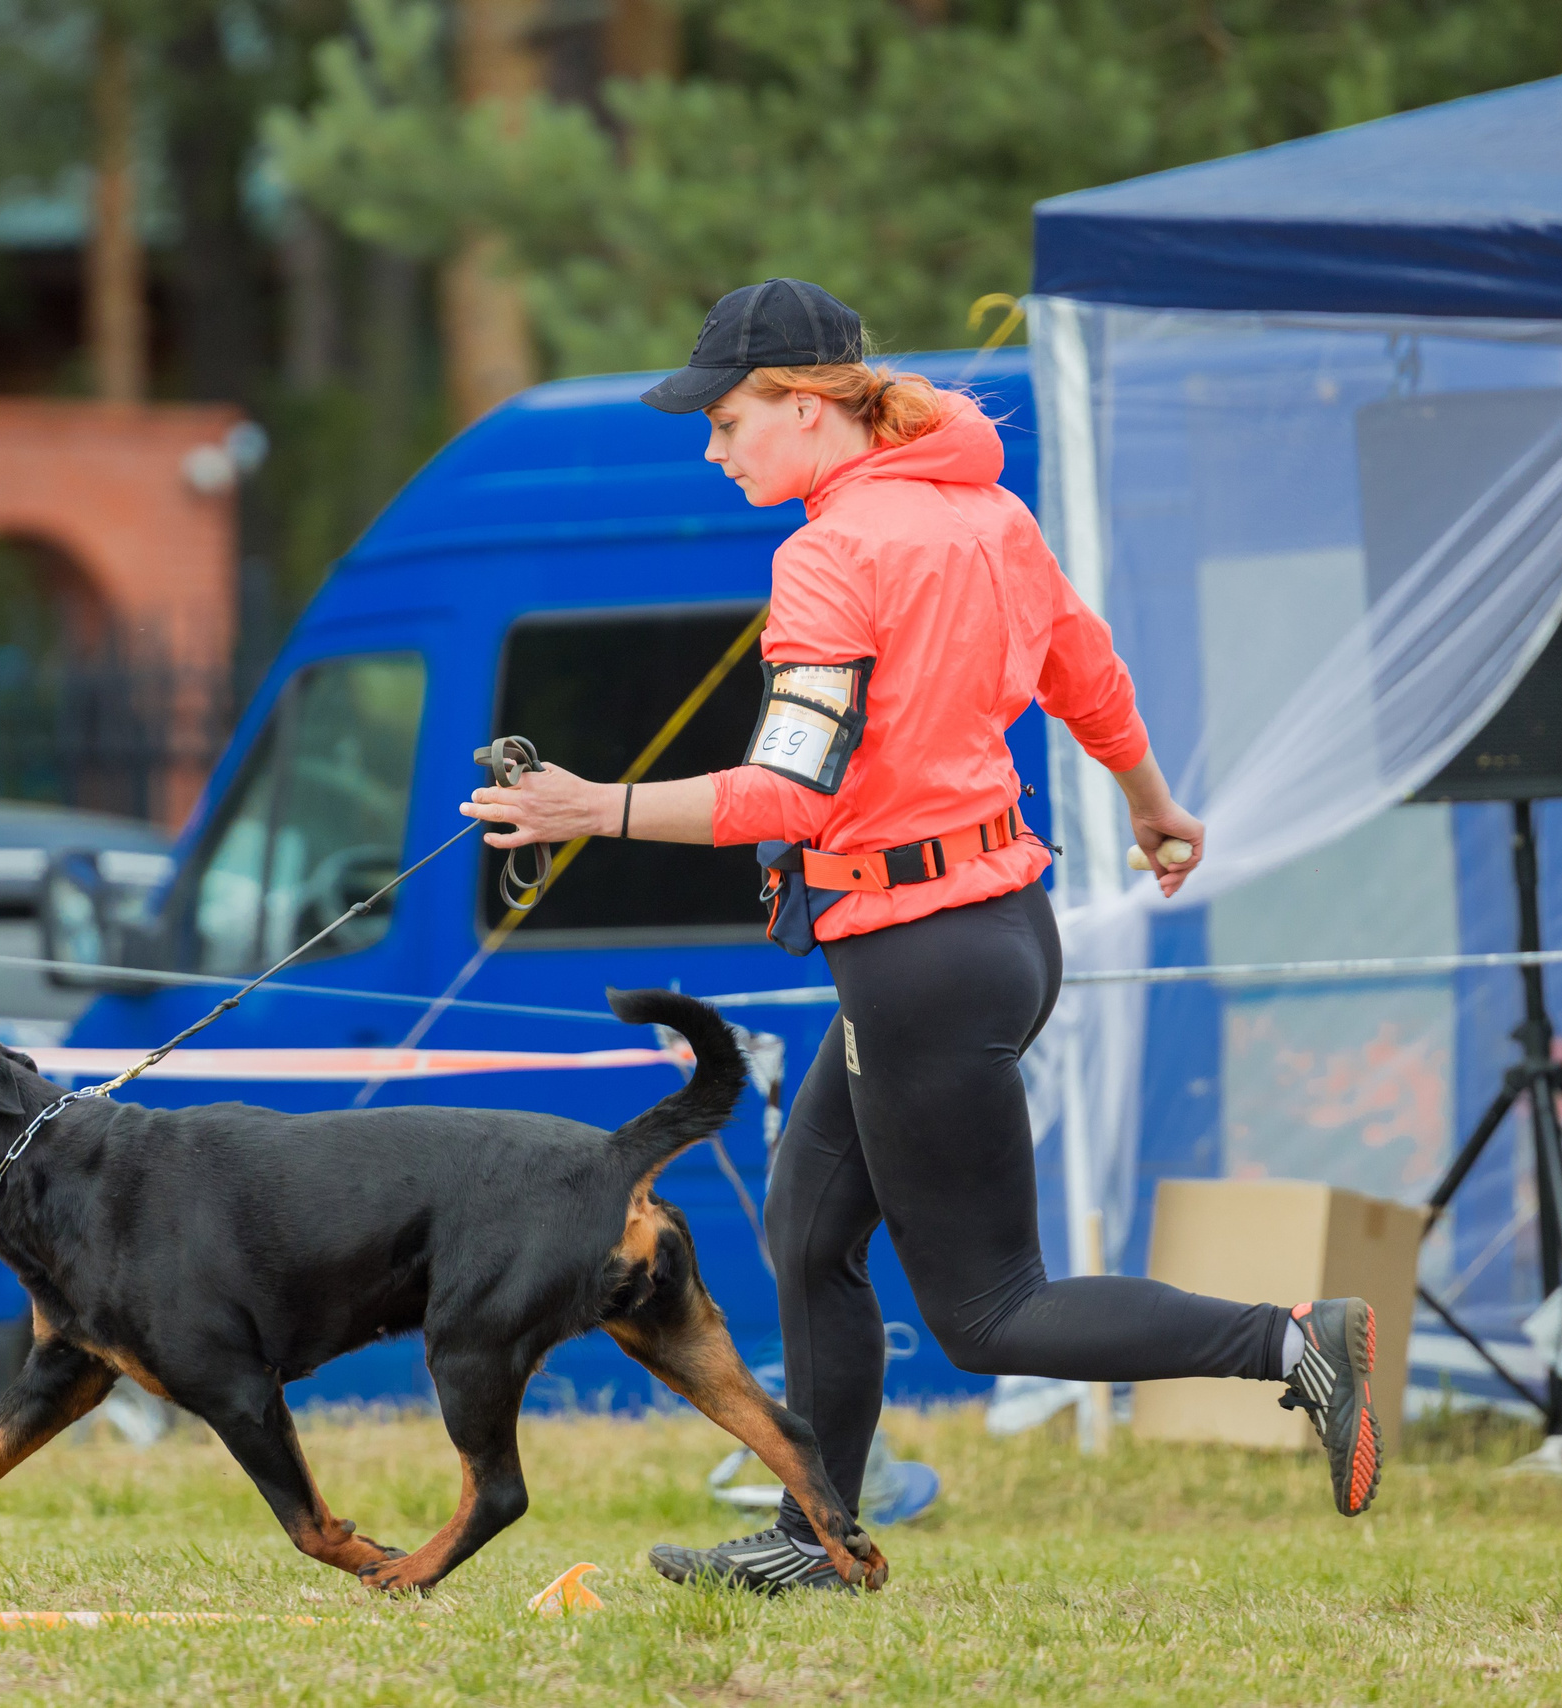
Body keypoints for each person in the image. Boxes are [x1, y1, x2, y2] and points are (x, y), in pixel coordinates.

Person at [463, 279, 1380, 1596]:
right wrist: (1152, 801)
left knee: (991, 1309)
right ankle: (818, 1541)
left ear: (806, 403)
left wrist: (588, 807)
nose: (713, 450)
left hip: (923, 964)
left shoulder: (833, 556)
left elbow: (790, 795)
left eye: (725, 419)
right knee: (807, 1230)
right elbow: (1088, 671)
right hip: (998, 927)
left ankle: (1296, 1343)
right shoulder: (985, 511)